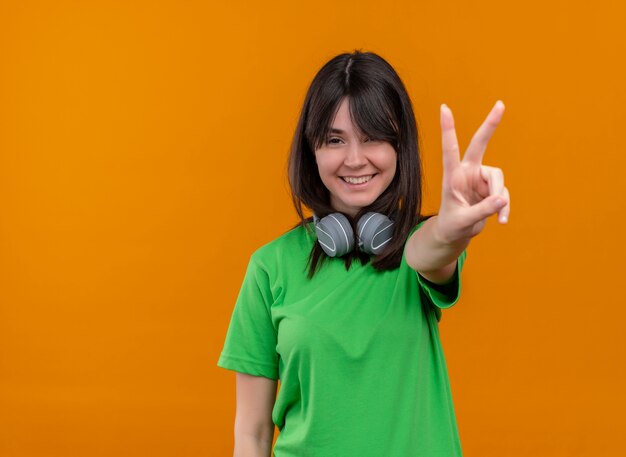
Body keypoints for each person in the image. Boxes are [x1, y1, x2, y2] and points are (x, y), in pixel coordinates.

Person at [217, 50, 510, 457]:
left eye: (373, 136)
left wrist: (450, 226)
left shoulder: (418, 245)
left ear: (399, 146)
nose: (355, 159)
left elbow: (434, 251)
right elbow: (251, 433)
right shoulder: (269, 267)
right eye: (335, 140)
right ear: (312, 149)